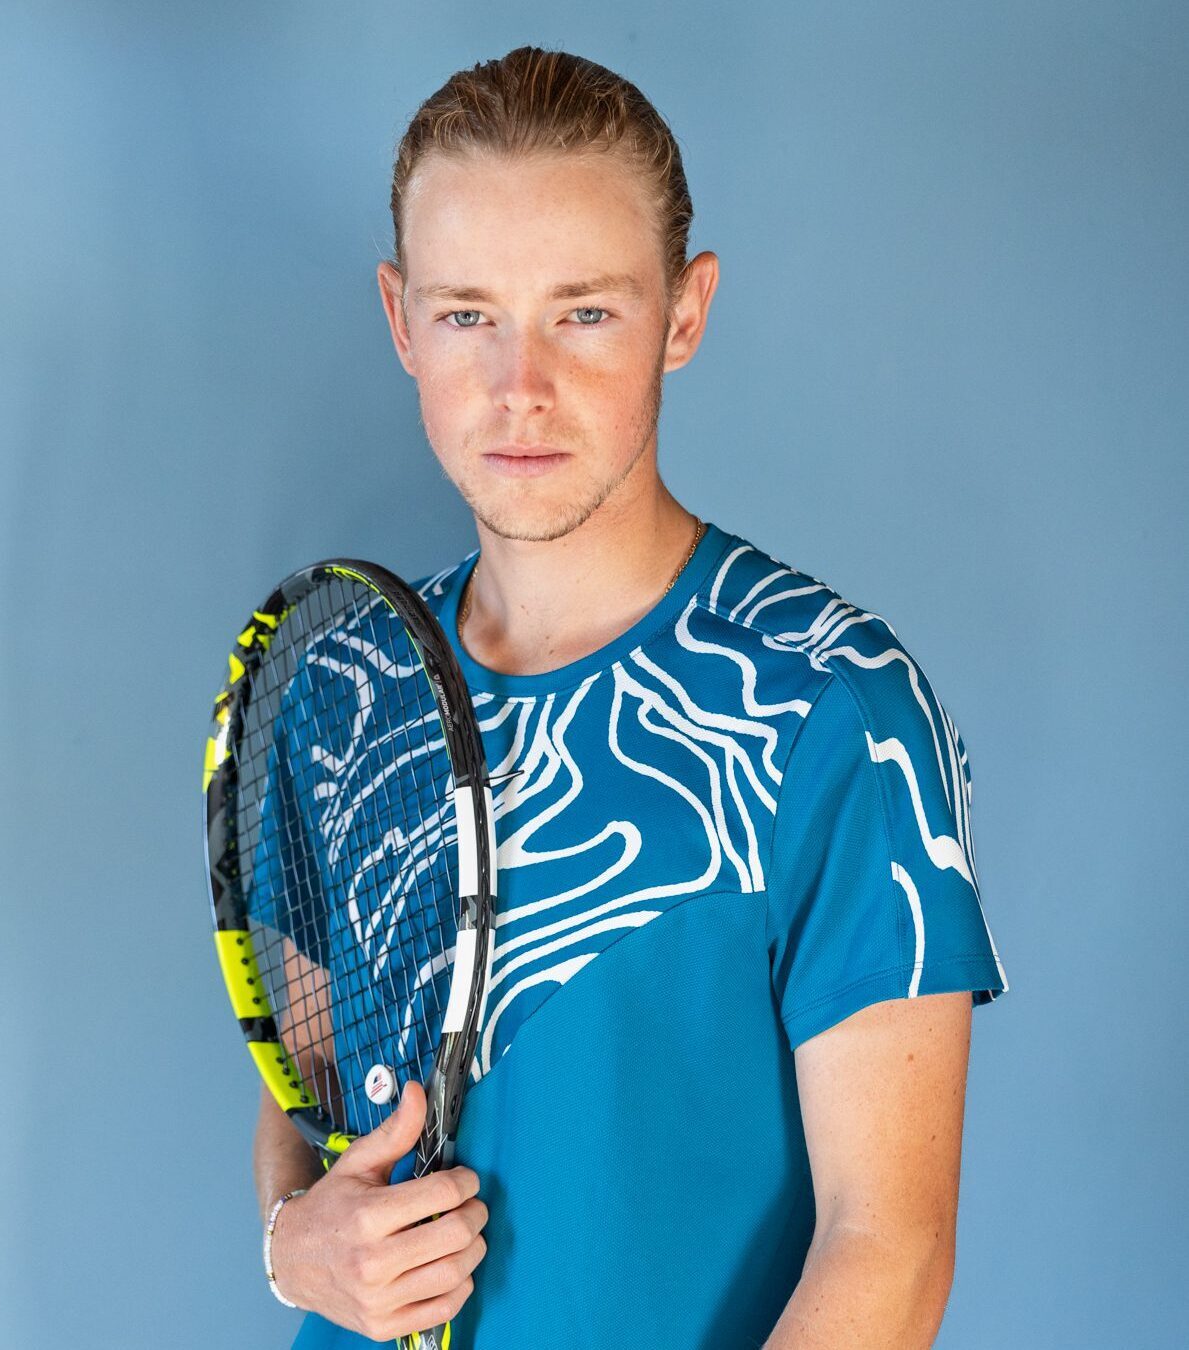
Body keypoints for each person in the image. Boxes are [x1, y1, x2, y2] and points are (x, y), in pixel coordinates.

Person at [253, 45, 1009, 1349]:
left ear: (684, 312)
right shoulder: (343, 685)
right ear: (400, 318)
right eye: (467, 314)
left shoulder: (834, 709)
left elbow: (889, 1252)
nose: (520, 386)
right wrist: (291, 1238)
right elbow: (309, 1083)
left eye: (584, 313)